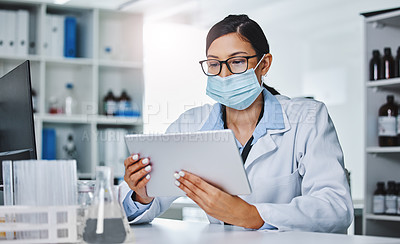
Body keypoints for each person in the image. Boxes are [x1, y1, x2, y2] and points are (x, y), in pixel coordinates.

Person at [119, 14, 353, 232]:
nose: (224, 75)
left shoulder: (307, 118)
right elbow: (148, 202)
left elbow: (335, 207)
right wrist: (142, 194)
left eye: (237, 62)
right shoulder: (191, 124)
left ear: (264, 64)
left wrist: (253, 215)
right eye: (214, 64)